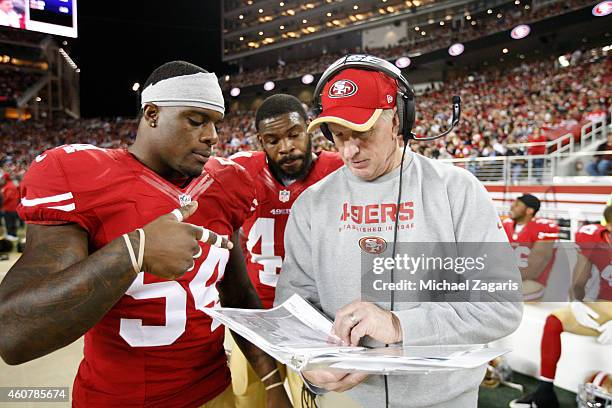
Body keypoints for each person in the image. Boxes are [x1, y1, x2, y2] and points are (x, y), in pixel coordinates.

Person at [0, 61, 291, 408]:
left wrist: (273, 382)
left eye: (216, 123)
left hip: (214, 390)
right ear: (152, 113)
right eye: (196, 120)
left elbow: (239, 294)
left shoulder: (227, 183)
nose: (212, 136)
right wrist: (132, 250)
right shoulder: (80, 176)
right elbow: (13, 337)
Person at [274, 55, 523, 407]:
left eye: (362, 132)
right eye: (338, 135)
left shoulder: (458, 191)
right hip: (343, 399)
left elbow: (500, 305)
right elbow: (293, 307)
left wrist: (399, 325)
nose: (349, 150)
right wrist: (307, 362)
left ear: (398, 121)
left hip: (444, 400)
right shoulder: (311, 205)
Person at [228, 94, 344, 408]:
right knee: (249, 399)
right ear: (260, 141)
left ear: (310, 129)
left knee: (313, 400)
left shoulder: (340, 170)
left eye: (294, 134)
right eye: (273, 139)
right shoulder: (239, 171)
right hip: (255, 316)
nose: (286, 147)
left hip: (315, 317)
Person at [510, 205, 612, 408]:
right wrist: (576, 303)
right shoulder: (594, 237)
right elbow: (579, 278)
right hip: (605, 305)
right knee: (554, 320)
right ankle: (545, 393)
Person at [502, 194, 559, 301]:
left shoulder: (544, 227)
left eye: (517, 204)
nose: (512, 206)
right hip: (506, 278)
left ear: (529, 211)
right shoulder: (505, 225)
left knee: (499, 297)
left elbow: (534, 268)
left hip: (532, 281)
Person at [0, 172, 19, 240]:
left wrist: (1, 202)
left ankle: (12, 235)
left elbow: (7, 198)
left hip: (10, 208)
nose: (1, 180)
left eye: (2, 179)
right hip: (7, 207)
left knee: (10, 222)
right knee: (8, 222)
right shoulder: (7, 186)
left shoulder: (10, 186)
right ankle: (10, 234)